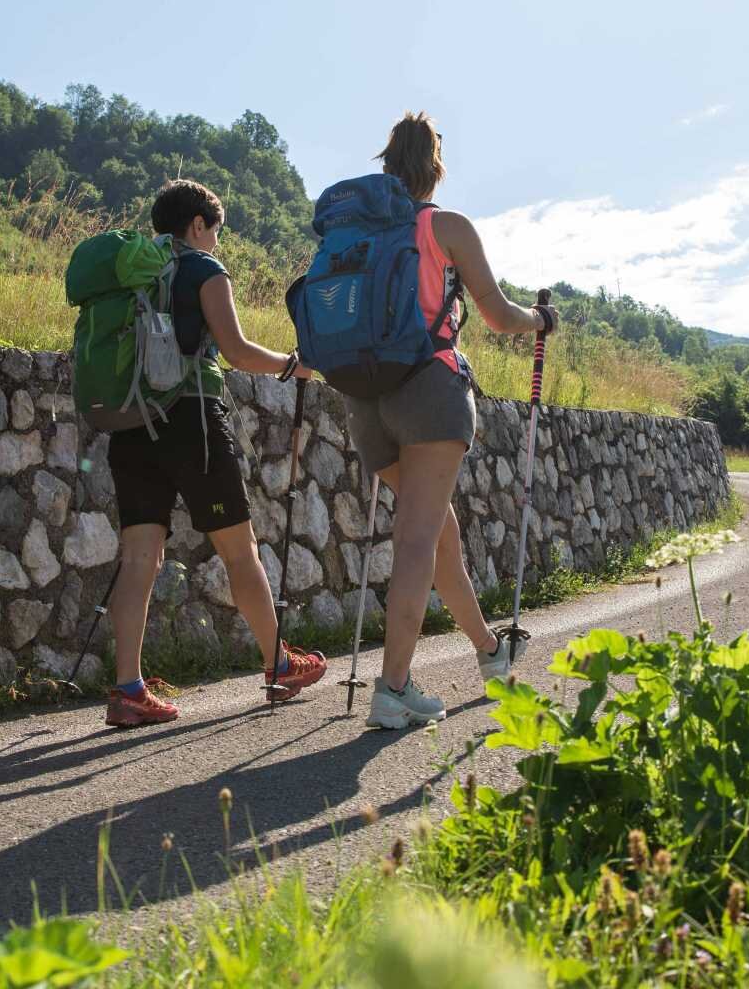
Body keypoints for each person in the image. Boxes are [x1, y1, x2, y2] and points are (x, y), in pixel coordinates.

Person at [349, 112, 559, 729]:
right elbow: (496, 314)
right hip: (428, 393)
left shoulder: (356, 232)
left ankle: (490, 652)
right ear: (434, 168)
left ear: (385, 167)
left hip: (364, 398)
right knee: (418, 539)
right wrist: (540, 324)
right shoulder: (446, 227)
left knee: (440, 534)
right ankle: (393, 688)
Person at [103, 179, 327, 727]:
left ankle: (128, 689)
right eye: (216, 232)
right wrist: (292, 365)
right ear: (198, 225)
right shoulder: (204, 269)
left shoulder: (132, 274)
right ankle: (278, 664)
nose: (217, 243)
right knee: (239, 549)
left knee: (140, 558)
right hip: (192, 420)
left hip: (133, 421)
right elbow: (235, 350)